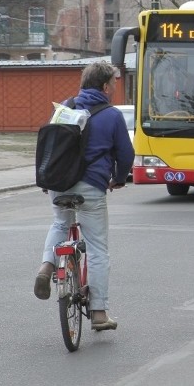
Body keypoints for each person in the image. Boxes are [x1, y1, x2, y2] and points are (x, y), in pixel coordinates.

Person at [34, 61, 135, 332]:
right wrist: (120, 177)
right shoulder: (111, 115)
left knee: (59, 224)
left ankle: (46, 267)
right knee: (98, 248)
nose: (114, 87)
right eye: (113, 83)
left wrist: (47, 178)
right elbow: (126, 154)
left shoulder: (64, 107)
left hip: (58, 182)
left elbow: (50, 147)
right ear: (104, 86)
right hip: (90, 186)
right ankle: (99, 312)